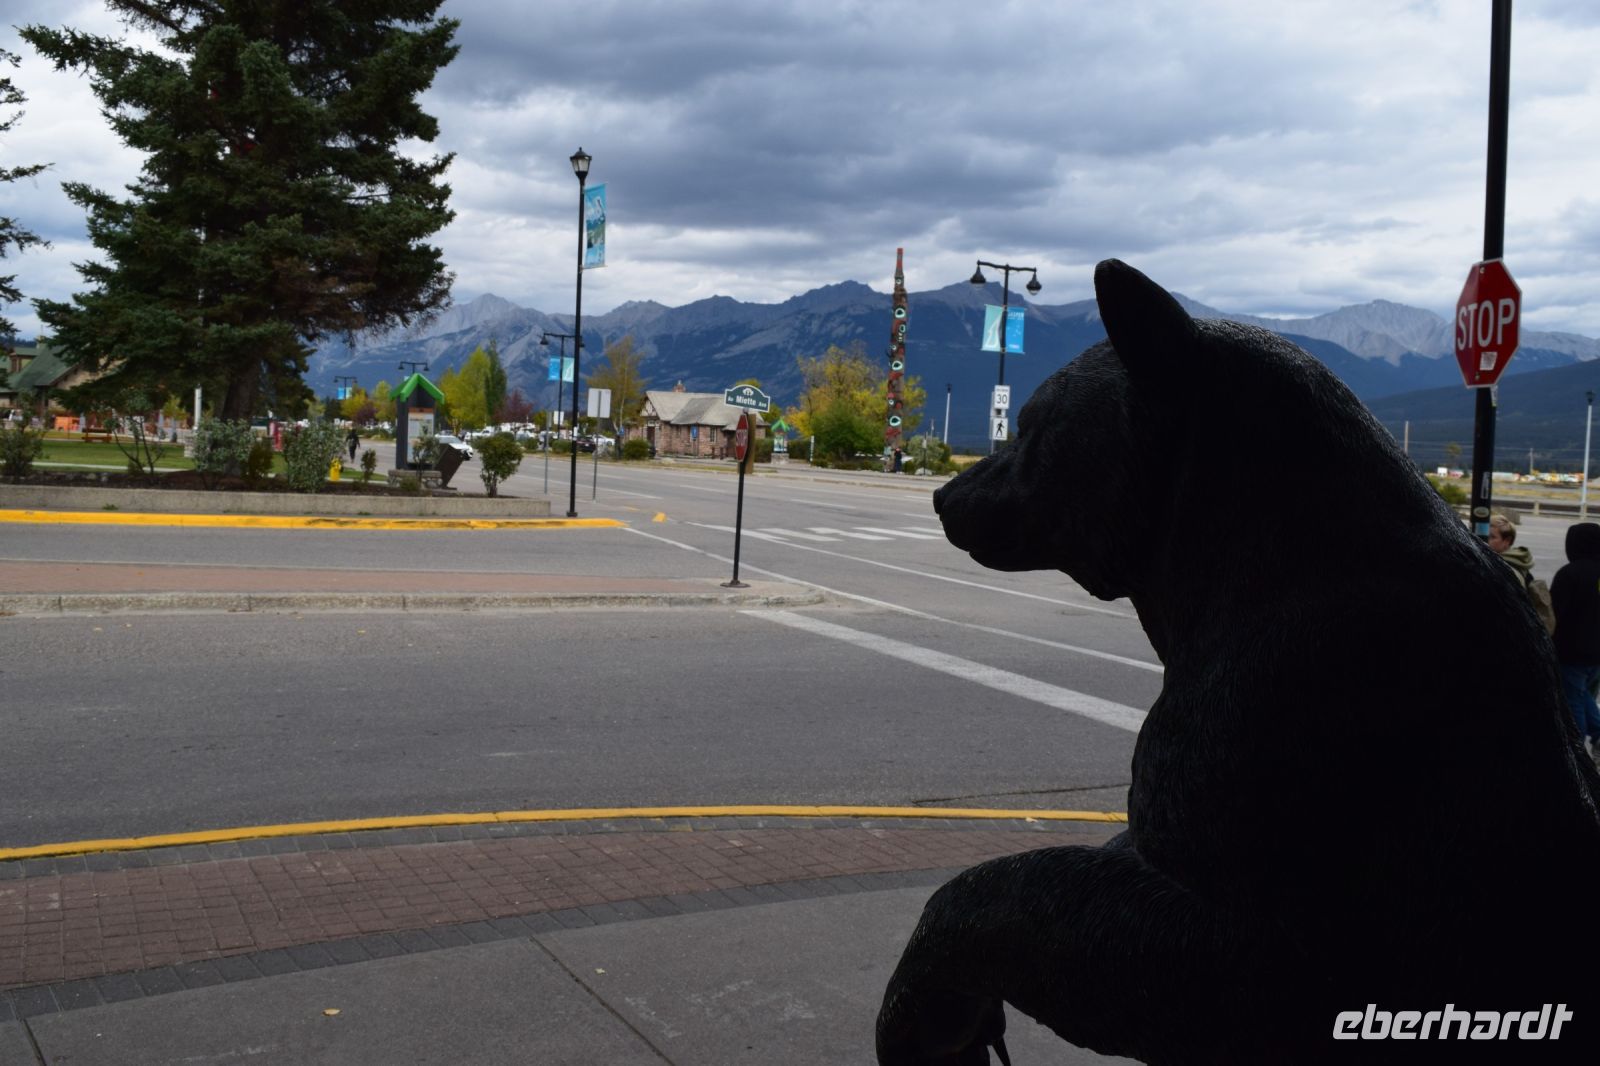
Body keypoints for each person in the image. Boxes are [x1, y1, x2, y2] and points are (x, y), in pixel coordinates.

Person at [1550, 521, 1600, 758]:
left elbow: (1555, 612)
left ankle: (1577, 751)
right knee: (1582, 694)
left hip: (1571, 650)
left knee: (1574, 701)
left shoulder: (1569, 574)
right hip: (1596, 653)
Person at [1486, 513, 1535, 582]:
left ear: (1507, 541)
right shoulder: (1517, 562)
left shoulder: (1504, 570)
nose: (1484, 540)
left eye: (1492, 537)